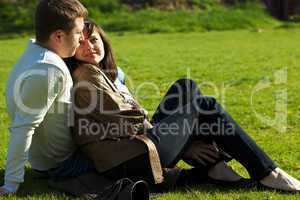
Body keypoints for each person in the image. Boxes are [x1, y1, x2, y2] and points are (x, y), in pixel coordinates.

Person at [66, 20, 300, 193]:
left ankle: (214, 168)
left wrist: (179, 137)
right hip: (126, 159)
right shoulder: (86, 74)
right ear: (73, 49)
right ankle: (268, 173)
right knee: (205, 106)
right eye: (81, 42)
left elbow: (131, 120)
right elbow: (127, 121)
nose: (89, 46)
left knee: (185, 87)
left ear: (104, 42)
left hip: (134, 145)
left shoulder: (102, 73)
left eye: (94, 39)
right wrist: (185, 144)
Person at [0, 0, 88, 196]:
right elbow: (23, 128)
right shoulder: (48, 68)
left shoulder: (34, 53)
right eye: (77, 33)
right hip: (64, 164)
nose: (82, 38)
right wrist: (11, 183)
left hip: (57, 158)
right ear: (58, 36)